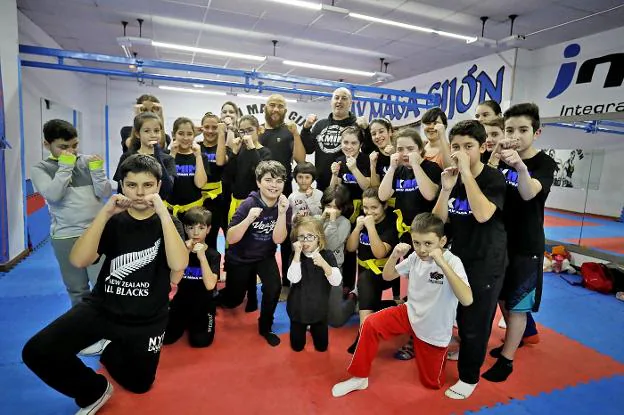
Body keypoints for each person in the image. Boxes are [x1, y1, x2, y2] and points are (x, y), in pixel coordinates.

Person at [22, 154, 188, 414]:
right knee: (36, 351)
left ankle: (110, 347)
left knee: (140, 384)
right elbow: (78, 260)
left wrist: (163, 212)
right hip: (103, 308)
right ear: (122, 185)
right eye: (132, 185)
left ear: (158, 186)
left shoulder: (169, 223)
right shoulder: (114, 220)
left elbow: (178, 264)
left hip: (147, 318)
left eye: (147, 185)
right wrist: (105, 213)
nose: (140, 192)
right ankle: (93, 389)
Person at [332, 213, 472, 397]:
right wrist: (394, 256)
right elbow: (388, 276)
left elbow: (467, 299)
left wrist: (443, 264)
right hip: (409, 313)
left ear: (443, 241)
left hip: (433, 328)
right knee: (370, 324)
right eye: (417, 243)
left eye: (428, 244)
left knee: (432, 384)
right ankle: (359, 377)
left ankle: (445, 351)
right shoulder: (415, 257)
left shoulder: (453, 261)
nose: (422, 249)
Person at [481, 103, 557, 382]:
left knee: (517, 305)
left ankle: (507, 360)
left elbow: (529, 193)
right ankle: (516, 341)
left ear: (536, 132)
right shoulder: (498, 156)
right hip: (499, 241)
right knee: (501, 296)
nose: (516, 135)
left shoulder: (544, 163)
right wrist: (494, 156)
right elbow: (486, 187)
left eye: (523, 130)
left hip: (527, 245)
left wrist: (520, 167)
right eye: (510, 129)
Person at [433, 120, 507, 400]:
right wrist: (446, 188)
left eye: (468, 146)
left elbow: (483, 214)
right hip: (460, 260)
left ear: (481, 147)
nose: (461, 152)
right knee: (461, 317)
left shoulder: (492, 178)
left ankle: (469, 377)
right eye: (456, 147)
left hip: (487, 261)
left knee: (476, 320)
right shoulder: (452, 177)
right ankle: (464, 352)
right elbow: (438, 222)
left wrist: (466, 172)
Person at [31, 119, 112, 307]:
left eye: (74, 145)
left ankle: (107, 330)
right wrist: (65, 166)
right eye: (63, 147)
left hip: (96, 233)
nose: (71, 151)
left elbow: (105, 193)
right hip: (66, 236)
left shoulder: (85, 161)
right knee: (78, 290)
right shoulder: (40, 169)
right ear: (46, 145)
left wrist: (98, 171)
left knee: (104, 285)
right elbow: (53, 195)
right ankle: (83, 332)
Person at [378, 127, 442, 360]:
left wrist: (416, 164)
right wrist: (393, 166)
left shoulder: (431, 168)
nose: (405, 153)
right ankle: (415, 331)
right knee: (415, 286)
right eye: (400, 149)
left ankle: (422, 338)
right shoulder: (398, 170)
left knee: (427, 288)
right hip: (407, 235)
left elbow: (429, 194)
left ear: (421, 149)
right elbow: (383, 195)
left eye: (410, 149)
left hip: (428, 238)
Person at [218, 161, 292, 347]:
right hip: (240, 257)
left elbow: (278, 240)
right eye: (268, 180)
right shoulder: (248, 204)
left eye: (278, 180)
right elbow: (231, 238)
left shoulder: (284, 205)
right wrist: (249, 218)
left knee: (274, 287)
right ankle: (211, 300)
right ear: (258, 183)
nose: (274, 185)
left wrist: (282, 214)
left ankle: (265, 326)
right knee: (233, 299)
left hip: (264, 256)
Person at [260, 94, 307, 297]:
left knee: (287, 237)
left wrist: (296, 134)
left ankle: (287, 283)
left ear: (285, 110)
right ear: (266, 107)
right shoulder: (258, 132)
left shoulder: (289, 133)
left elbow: (300, 158)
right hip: (260, 192)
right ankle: (264, 276)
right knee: (261, 234)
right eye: (272, 105)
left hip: (284, 190)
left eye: (280, 106)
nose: (276, 109)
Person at [345, 187, 399, 354]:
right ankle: (386, 312)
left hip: (386, 274)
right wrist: (357, 229)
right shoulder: (361, 219)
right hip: (364, 273)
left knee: (366, 280)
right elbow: (350, 247)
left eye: (374, 207)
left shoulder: (391, 221)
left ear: (384, 206)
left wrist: (371, 228)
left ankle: (363, 336)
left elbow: (380, 252)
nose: (369, 212)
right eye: (366, 207)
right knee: (366, 286)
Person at [165, 207, 220, 348]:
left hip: (204, 305)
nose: (195, 233)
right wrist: (185, 253)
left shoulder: (213, 255)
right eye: (191, 227)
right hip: (181, 302)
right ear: (185, 228)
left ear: (208, 229)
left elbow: (210, 285)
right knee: (166, 338)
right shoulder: (180, 251)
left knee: (200, 342)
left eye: (201, 228)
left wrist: (202, 258)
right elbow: (174, 280)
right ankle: (184, 321)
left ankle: (198, 322)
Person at [287, 216, 342, 352]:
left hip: (319, 310)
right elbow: (293, 279)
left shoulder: (327, 255)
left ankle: (312, 328)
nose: (305, 241)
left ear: (319, 238)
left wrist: (324, 264)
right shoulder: (295, 256)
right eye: (301, 237)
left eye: (310, 236)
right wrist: (297, 256)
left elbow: (336, 281)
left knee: (322, 347)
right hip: (298, 309)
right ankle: (304, 329)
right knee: (297, 347)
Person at [301, 87, 371, 191]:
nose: (339, 101)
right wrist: (306, 128)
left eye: (344, 98)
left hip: (349, 184)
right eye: (336, 98)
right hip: (322, 184)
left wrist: (366, 129)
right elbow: (309, 149)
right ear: (331, 101)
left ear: (350, 102)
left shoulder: (357, 125)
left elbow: (367, 149)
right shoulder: (320, 124)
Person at [318, 185, 357, 328]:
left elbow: (331, 245)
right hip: (314, 270)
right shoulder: (318, 218)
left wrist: (332, 221)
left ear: (343, 208)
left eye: (336, 207)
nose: (332, 210)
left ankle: (353, 298)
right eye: (329, 206)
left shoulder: (344, 223)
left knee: (335, 320)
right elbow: (310, 238)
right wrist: (322, 219)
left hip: (334, 270)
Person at [114, 112, 176, 200]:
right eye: (147, 131)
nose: (153, 135)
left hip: (157, 207)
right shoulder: (127, 157)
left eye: (156, 131)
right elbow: (121, 189)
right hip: (132, 206)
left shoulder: (168, 159)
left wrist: (157, 154)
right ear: (137, 134)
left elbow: (167, 190)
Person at [166, 117, 209, 219]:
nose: (185, 138)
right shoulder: (166, 155)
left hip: (194, 211)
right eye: (181, 133)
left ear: (194, 135)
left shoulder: (201, 156)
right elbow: (165, 184)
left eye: (189, 134)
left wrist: (198, 156)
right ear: (173, 135)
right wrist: (172, 155)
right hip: (170, 210)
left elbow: (200, 184)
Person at [198, 112, 228, 249]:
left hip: (216, 200)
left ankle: (211, 267)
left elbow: (220, 162)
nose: (210, 131)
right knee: (194, 236)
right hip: (196, 197)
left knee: (211, 237)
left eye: (214, 127)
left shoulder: (224, 148)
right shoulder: (195, 146)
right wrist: (192, 133)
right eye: (206, 127)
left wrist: (222, 135)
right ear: (201, 128)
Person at [368, 118, 395, 188]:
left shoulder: (401, 149)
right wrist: (372, 166)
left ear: (390, 132)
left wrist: (393, 155)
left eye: (381, 131)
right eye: (373, 134)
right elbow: (375, 186)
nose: (377, 136)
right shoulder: (374, 156)